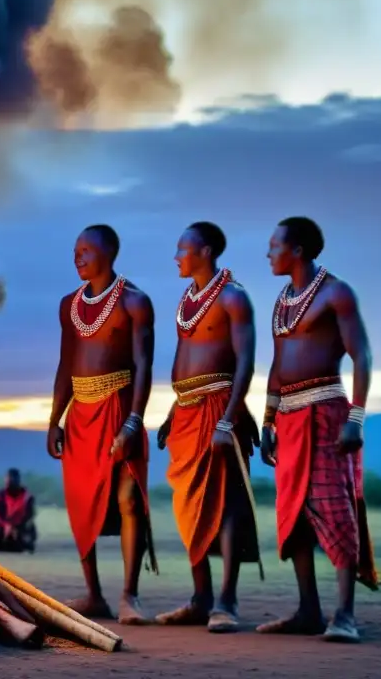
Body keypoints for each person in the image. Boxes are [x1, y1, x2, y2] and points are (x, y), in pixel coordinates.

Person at [257, 217, 377, 643]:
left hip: (327, 413)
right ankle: (309, 610)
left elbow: (362, 357)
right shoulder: (283, 300)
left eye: (274, 246)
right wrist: (268, 419)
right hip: (287, 419)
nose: (268, 253)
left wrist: (356, 419)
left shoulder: (336, 293)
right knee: (293, 515)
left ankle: (344, 615)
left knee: (335, 508)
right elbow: (276, 364)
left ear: (299, 250)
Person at [46, 224, 157, 625]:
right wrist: (54, 419)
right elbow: (65, 365)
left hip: (119, 405)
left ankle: (130, 596)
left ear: (108, 253)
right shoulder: (67, 305)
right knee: (81, 502)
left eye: (86, 250)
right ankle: (94, 596)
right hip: (80, 415)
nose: (77, 257)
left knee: (129, 498)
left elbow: (144, 364)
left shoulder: (135, 302)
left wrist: (133, 421)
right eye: (75, 251)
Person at [156, 222, 263, 633]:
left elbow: (245, 363)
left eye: (181, 249)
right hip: (185, 411)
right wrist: (170, 412)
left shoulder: (234, 298)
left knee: (228, 503)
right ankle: (201, 598)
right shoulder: (188, 299)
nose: (176, 256)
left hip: (219, 408)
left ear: (203, 251)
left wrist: (227, 418)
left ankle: (227, 600)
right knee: (190, 506)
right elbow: (188, 359)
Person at [0, 469, 36, 552]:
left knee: (30, 525)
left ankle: (27, 545)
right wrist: (5, 525)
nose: (10, 481)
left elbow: (29, 515)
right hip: (1, 526)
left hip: (18, 527)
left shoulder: (27, 497)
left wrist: (15, 527)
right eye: (8, 479)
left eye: (12, 479)